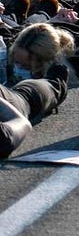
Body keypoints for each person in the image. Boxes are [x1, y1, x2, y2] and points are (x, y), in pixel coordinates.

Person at [0, 26, 72, 159]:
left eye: (25, 65)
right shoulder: (9, 54)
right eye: (16, 62)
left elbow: (16, 129)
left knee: (54, 85)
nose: (19, 68)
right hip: (18, 98)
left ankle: (58, 73)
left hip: (23, 98)